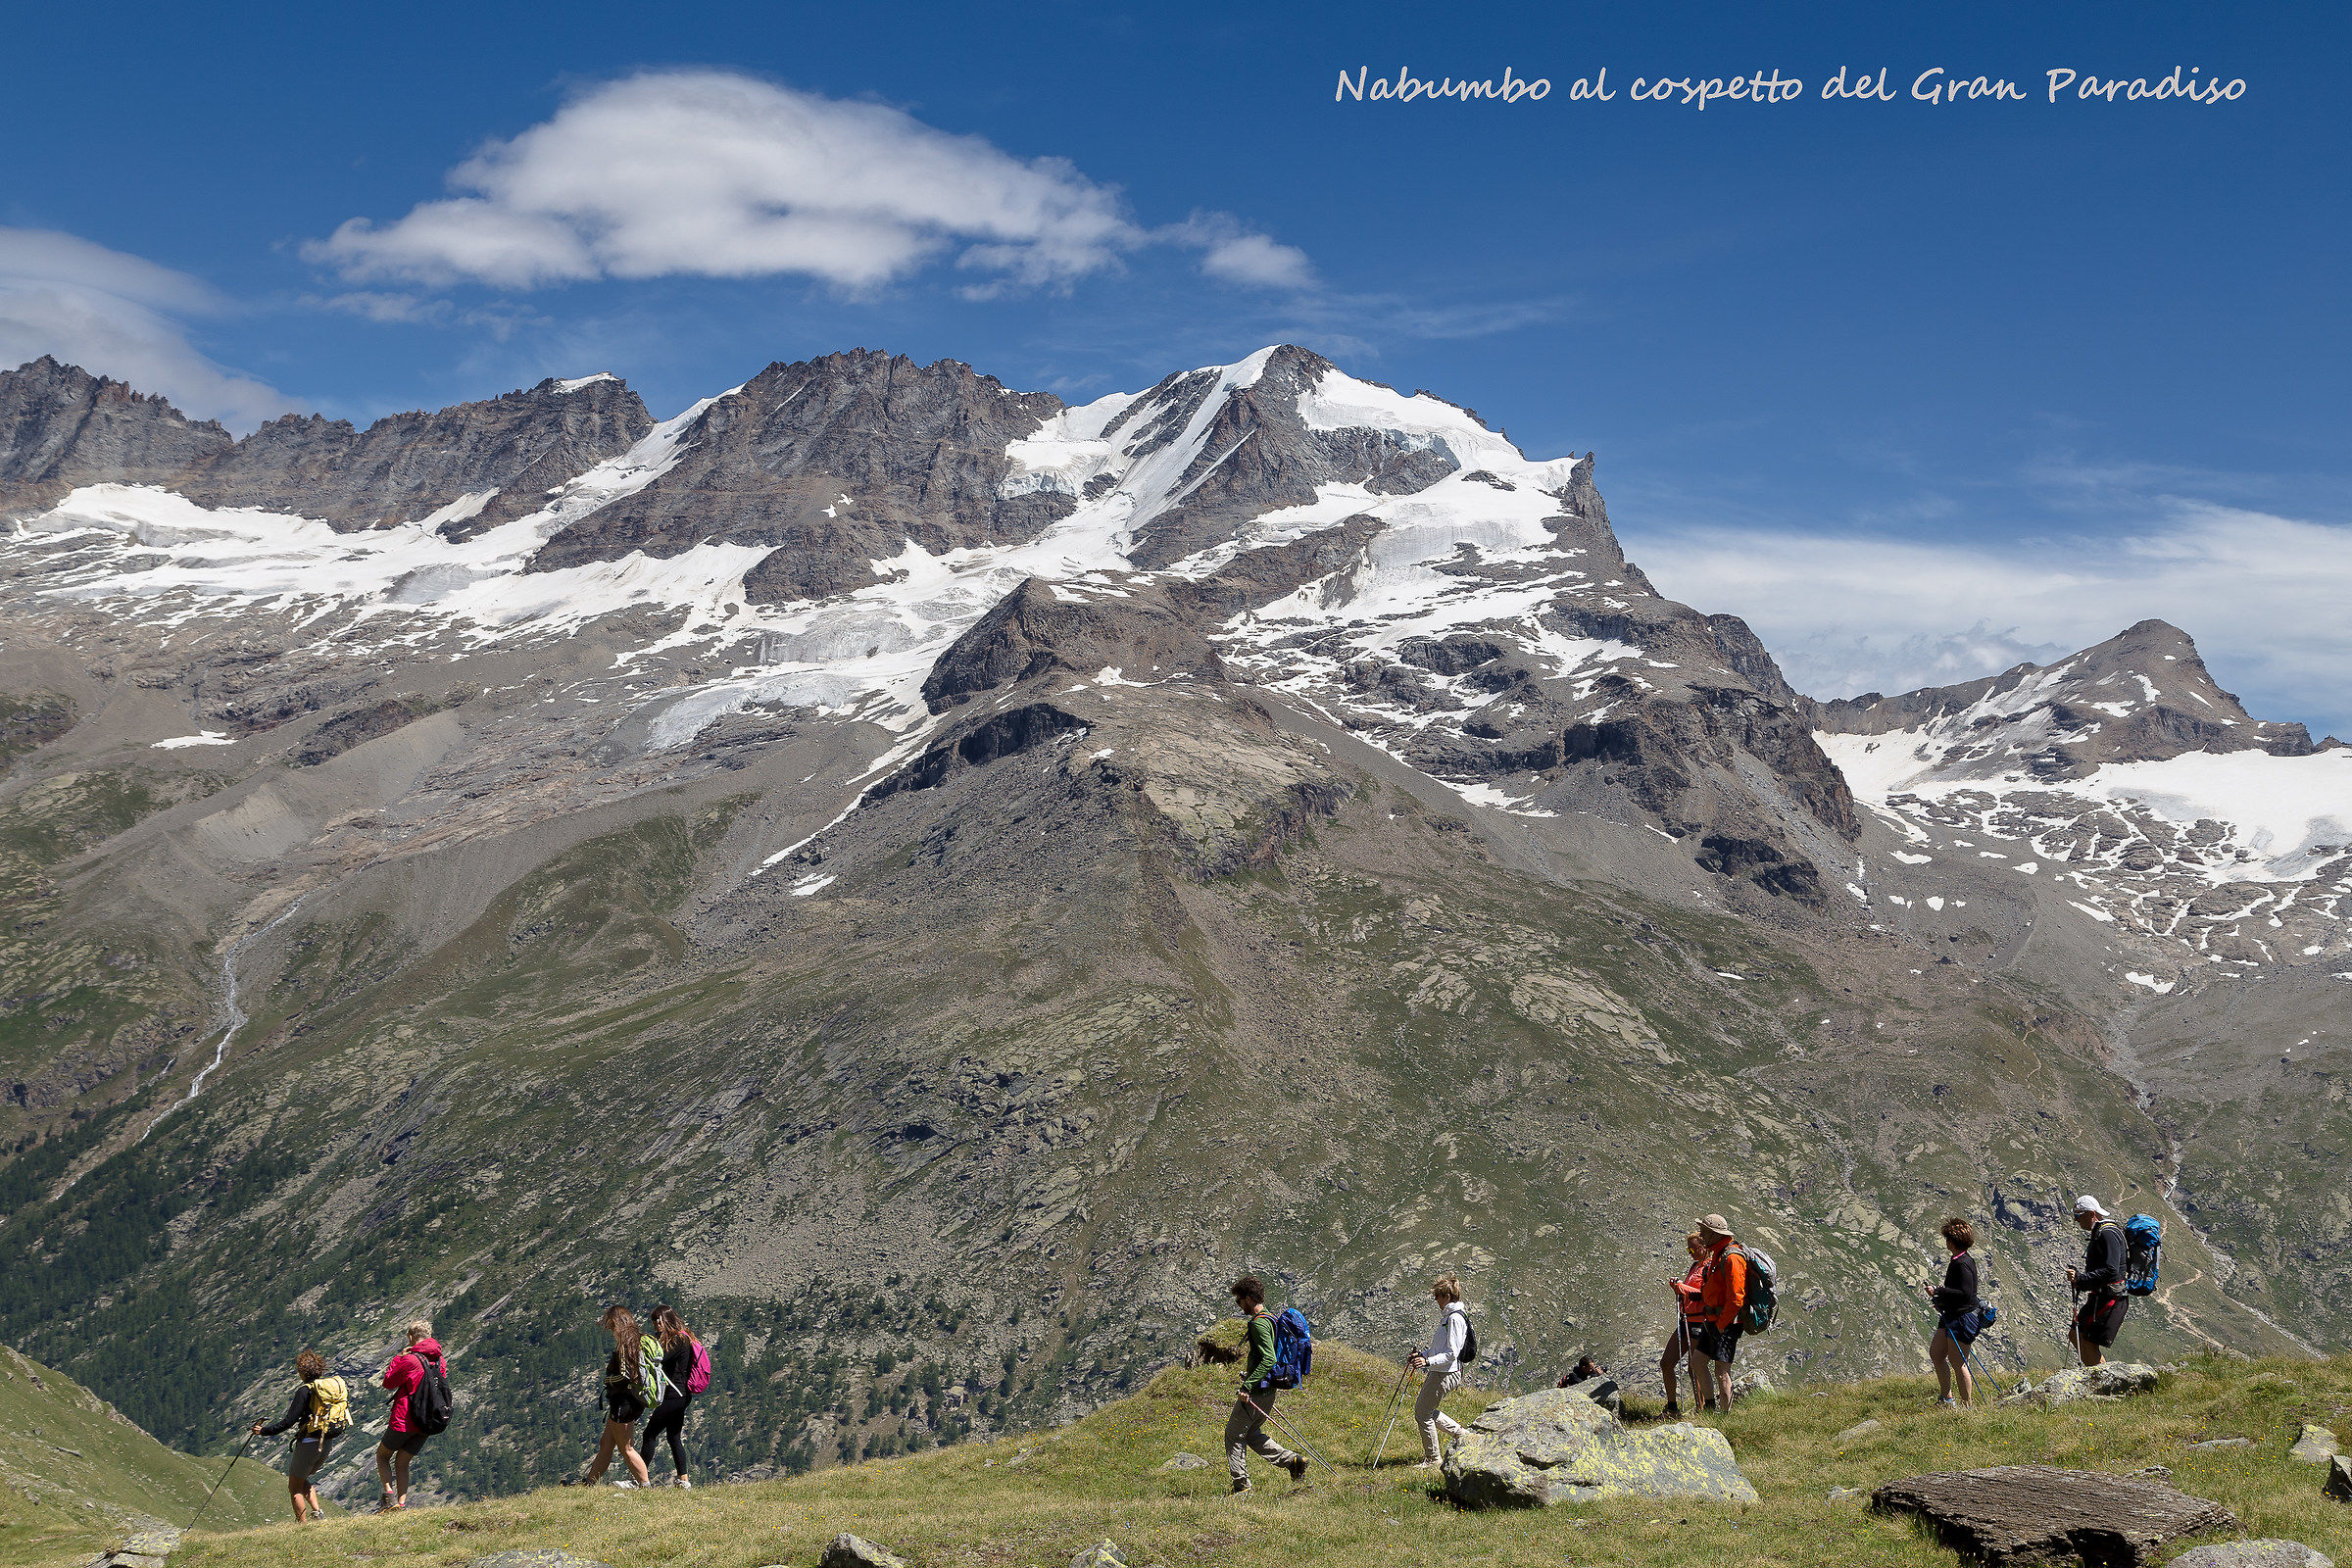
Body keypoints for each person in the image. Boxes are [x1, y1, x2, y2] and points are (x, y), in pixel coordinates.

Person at [1221, 1276, 1306, 1494]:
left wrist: (1247, 1386)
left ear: (1249, 1298)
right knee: (1251, 1433)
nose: (1239, 1305)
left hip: (1256, 1392)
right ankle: (1293, 1462)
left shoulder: (1259, 1323)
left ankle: (1242, 1487)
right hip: (1268, 1391)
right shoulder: (1271, 1318)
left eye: (1239, 1301)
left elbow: (1269, 1358)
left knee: (1233, 1434)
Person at [250, 1349, 347, 1522]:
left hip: (309, 1443)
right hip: (326, 1441)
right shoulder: (327, 1389)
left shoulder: (305, 1391)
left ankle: (303, 1526)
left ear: (302, 1371)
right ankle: (318, 1513)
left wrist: (263, 1431)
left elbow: (288, 1422)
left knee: (294, 1487)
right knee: (301, 1479)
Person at [567, 1305, 655, 1489]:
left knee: (626, 1448)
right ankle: (589, 1483)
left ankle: (645, 1486)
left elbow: (625, 1376)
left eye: (611, 1326)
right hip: (629, 1401)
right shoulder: (636, 1339)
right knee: (606, 1443)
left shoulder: (626, 1343)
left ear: (617, 1323)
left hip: (623, 1403)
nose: (611, 1330)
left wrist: (607, 1379)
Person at [374, 1321, 443, 1513]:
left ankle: (389, 1498)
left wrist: (399, 1357)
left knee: (382, 1457)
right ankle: (402, 1504)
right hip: (427, 1421)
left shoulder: (411, 1359)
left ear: (412, 1337)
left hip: (404, 1419)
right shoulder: (439, 1360)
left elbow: (388, 1382)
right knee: (403, 1462)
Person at [1406, 1274, 1473, 1468]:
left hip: (1446, 1372)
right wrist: (1422, 1355)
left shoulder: (1454, 1319)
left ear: (1448, 1297)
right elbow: (1439, 1350)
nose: (1436, 1300)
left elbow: (1451, 1353)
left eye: (1438, 1296)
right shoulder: (1449, 1317)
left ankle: (1434, 1459)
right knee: (1426, 1410)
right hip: (1441, 1370)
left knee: (1422, 1412)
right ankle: (1462, 1435)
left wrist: (1426, 1361)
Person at [638, 1304, 701, 1488]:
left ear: (668, 1320)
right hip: (679, 1396)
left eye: (660, 1320)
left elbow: (659, 1358)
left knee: (649, 1434)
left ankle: (640, 1479)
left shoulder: (679, 1340)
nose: (657, 1323)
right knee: (673, 1437)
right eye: (654, 1320)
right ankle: (684, 1481)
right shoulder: (674, 1337)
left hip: (675, 1396)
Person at [1691, 1214, 1748, 1411]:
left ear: (1715, 1234)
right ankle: (1709, 1408)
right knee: (1698, 1362)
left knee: (1721, 1372)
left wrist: (1721, 1326)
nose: (1702, 1236)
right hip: (1713, 1321)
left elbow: (1736, 1299)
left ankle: (1725, 1418)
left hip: (1727, 1324)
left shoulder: (1732, 1258)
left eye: (1705, 1232)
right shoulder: (1718, 1254)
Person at [1925, 1216, 1983, 1406]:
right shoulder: (1963, 1260)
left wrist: (1939, 1291)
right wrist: (1942, 1300)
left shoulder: (1961, 1264)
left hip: (1962, 1318)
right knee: (1936, 1353)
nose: (1946, 1242)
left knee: (1958, 1362)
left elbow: (1965, 1294)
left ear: (1952, 1241)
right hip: (1952, 1314)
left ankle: (1967, 1406)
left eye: (1947, 1238)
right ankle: (1947, 1398)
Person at [2066, 1195, 2130, 1366]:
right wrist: (2081, 1280)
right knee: (2076, 1335)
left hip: (2110, 1298)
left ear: (2091, 1213)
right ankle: (2101, 1377)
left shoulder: (2107, 1234)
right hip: (2102, 1297)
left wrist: (2081, 1278)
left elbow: (2111, 1270)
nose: (2076, 1220)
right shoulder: (2103, 1232)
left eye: (2079, 1216)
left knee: (2085, 1340)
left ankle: (2101, 1382)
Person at [1657, 1231, 1708, 1418]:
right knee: (1666, 1363)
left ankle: (1702, 1410)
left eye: (1694, 1248)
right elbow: (1690, 1292)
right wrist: (1678, 1289)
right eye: (1689, 1249)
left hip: (1699, 1322)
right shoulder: (1695, 1266)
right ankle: (1672, 1407)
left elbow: (1705, 1294)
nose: (1691, 1252)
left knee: (1694, 1367)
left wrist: (1682, 1287)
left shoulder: (1709, 1268)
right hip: (1686, 1320)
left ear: (1705, 1247)